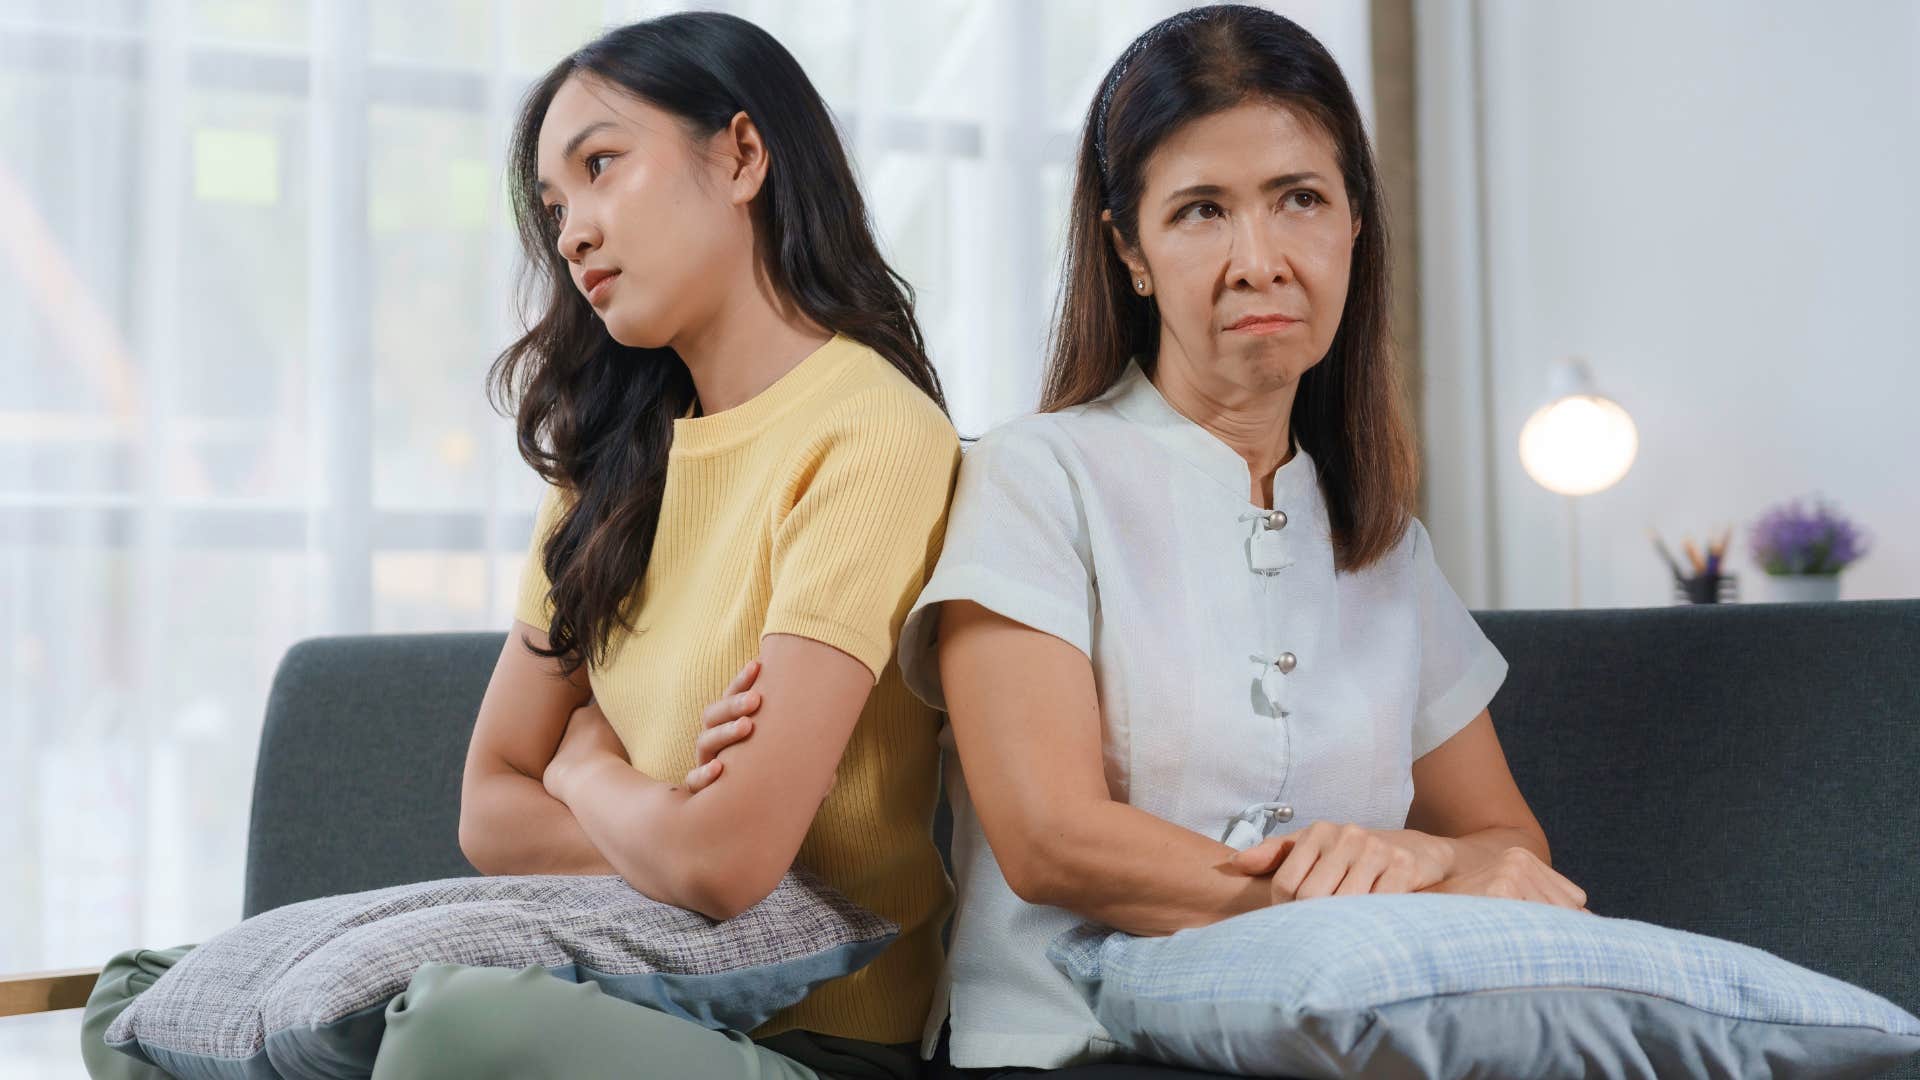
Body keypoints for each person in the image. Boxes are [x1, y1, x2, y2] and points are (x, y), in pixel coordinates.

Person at [700, 6, 1588, 1076]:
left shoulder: (1385, 544)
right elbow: (1050, 839)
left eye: (1299, 199)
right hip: (1078, 1045)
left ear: (1356, 221)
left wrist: (1421, 853)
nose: (1258, 261)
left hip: (1335, 1041)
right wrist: (1391, 897)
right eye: (1201, 212)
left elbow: (1513, 848)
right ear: (1130, 251)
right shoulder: (1036, 478)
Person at [80, 13, 959, 1080]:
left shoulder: (871, 431)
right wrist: (663, 826)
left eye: (601, 166)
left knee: (459, 1031)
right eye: (553, 206)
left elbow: (727, 863)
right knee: (138, 997)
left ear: (740, 155)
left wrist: (586, 769)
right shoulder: (610, 466)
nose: (573, 231)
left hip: (817, 1039)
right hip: (611, 975)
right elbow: (491, 806)